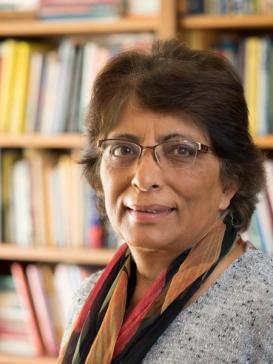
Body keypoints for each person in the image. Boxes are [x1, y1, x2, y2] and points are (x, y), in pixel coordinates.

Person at [57, 39, 273, 364]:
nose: (144, 178)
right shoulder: (87, 299)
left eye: (181, 151)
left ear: (230, 182)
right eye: (123, 150)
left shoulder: (265, 299)